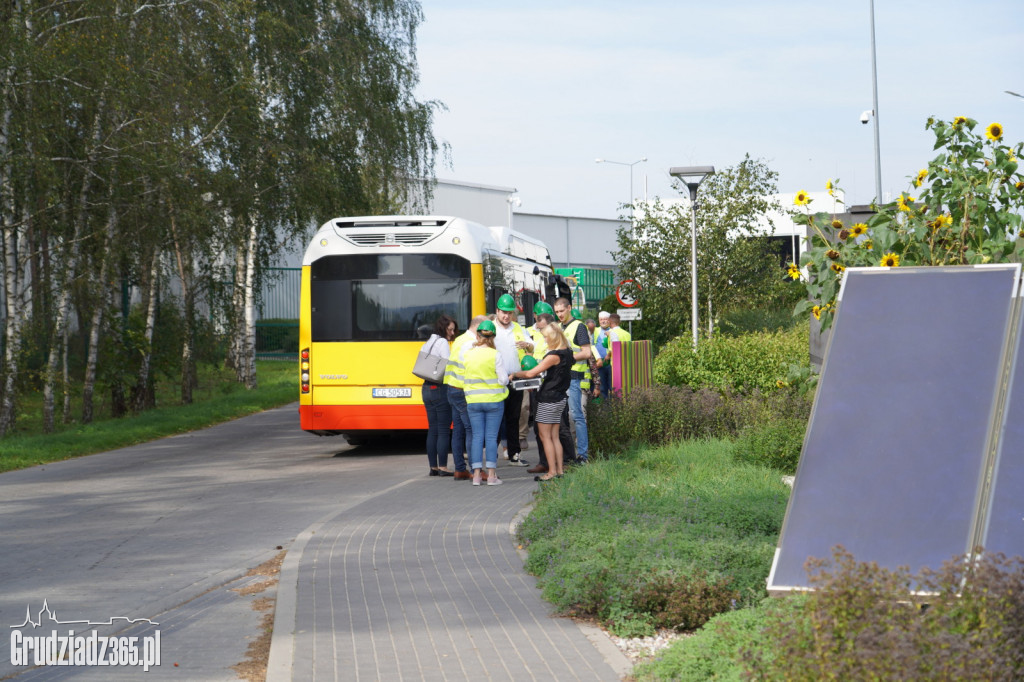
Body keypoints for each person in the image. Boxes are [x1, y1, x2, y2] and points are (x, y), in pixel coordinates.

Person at [511, 322, 572, 482]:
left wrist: (515, 374)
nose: (544, 340)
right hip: (560, 398)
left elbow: (531, 373)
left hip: (548, 399)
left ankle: (551, 471)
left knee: (546, 437)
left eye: (545, 337)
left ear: (552, 337)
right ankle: (559, 470)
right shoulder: (567, 352)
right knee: (554, 437)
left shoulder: (553, 356)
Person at [463, 320, 509, 486]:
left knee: (477, 437)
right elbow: (503, 379)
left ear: (478, 335)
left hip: (473, 402)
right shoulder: (495, 355)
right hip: (494, 402)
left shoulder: (467, 354)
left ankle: (476, 476)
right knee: (490, 438)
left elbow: (463, 377)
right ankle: (491, 476)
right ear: (493, 338)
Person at [445, 315, 488, 480]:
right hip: (463, 391)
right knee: (472, 430)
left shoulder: (460, 339)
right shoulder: (471, 344)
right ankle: (475, 469)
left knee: (458, 430)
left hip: (452, 388)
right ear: (478, 328)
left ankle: (459, 469)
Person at [493, 293, 533, 467]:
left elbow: (533, 345)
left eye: (509, 312)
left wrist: (528, 345)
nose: (506, 316)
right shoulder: (490, 327)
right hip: (495, 381)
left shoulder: (518, 328)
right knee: (495, 419)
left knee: (513, 418)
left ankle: (514, 454)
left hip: (515, 379)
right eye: (503, 312)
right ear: (497, 311)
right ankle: (491, 459)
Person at [553, 297, 592, 463]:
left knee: (577, 417)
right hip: (562, 378)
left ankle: (583, 455)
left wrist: (567, 358)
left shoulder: (579, 327)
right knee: (565, 419)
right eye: (556, 312)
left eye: (562, 311)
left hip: (575, 378)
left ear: (569, 308)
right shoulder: (559, 327)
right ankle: (569, 455)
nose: (559, 314)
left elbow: (587, 353)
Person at [420, 315, 456, 477]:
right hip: (439, 388)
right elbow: (448, 364)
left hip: (426, 388)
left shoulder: (428, 342)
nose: (452, 332)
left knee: (432, 429)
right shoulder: (442, 343)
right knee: (443, 429)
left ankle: (433, 467)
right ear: (443, 329)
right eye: (450, 329)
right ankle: (443, 467)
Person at [604, 313, 632, 396]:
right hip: (627, 362)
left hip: (616, 364)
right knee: (626, 386)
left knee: (615, 387)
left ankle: (617, 404)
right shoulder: (627, 334)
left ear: (610, 322)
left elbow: (613, 347)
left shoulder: (611, 333)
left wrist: (608, 355)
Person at [594, 312, 612, 399]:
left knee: (613, 386)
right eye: (601, 320)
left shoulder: (613, 330)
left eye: (605, 319)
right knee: (602, 387)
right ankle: (605, 410)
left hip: (612, 363)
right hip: (600, 363)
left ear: (609, 320)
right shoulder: (595, 330)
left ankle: (615, 408)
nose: (603, 321)